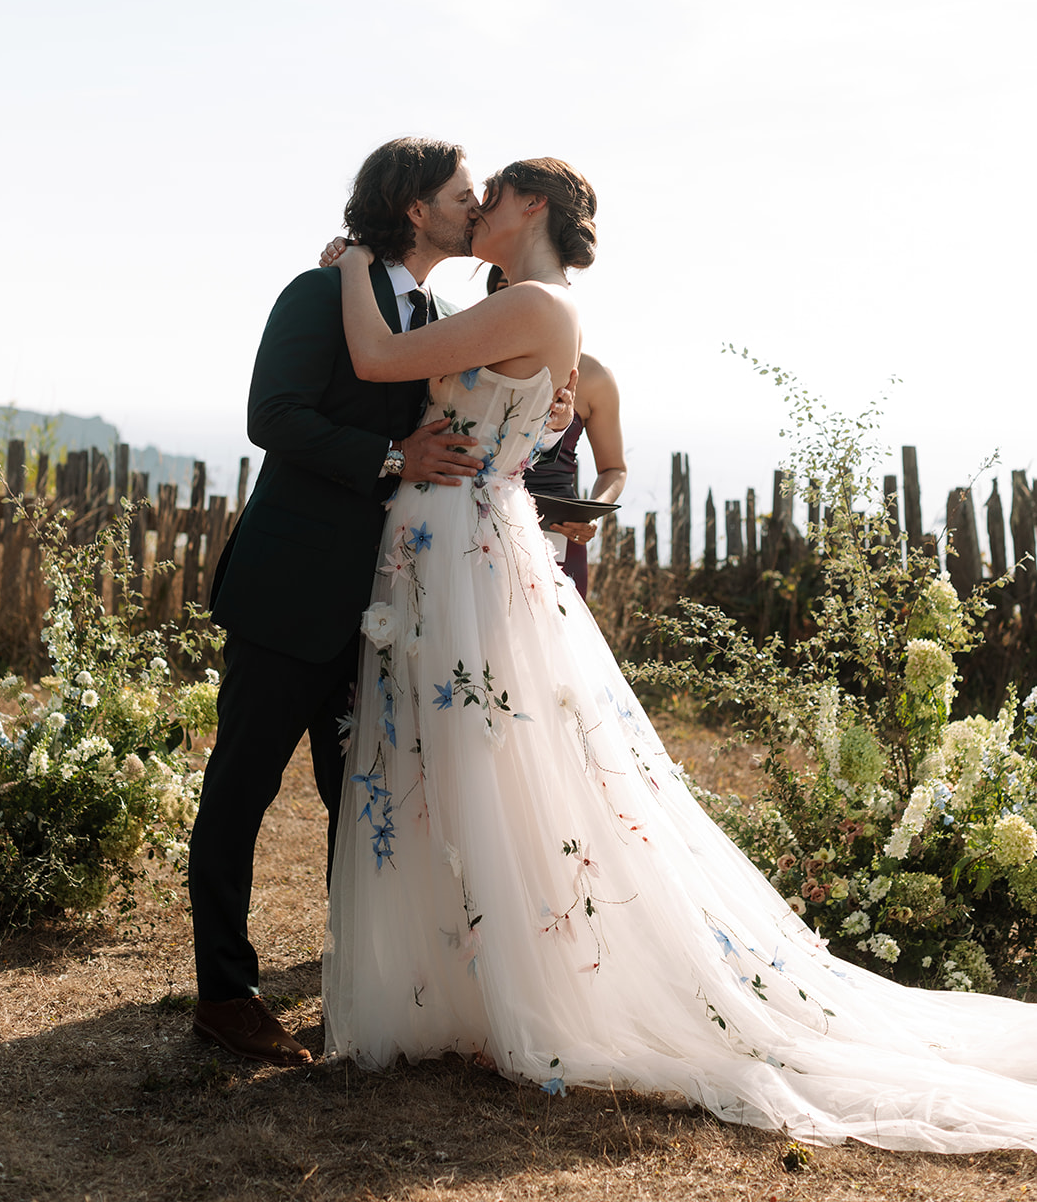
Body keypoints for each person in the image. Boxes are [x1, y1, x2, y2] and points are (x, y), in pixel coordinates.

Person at [322, 156, 1037, 1154]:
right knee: (451, 760)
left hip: (466, 553)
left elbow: (370, 357)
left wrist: (354, 262)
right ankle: (466, 989)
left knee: (482, 757)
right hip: (445, 546)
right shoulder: (517, 306)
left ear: (528, 205)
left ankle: (518, 993)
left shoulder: (532, 304)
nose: (473, 212)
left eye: (488, 199)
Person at [187, 136, 486, 1067]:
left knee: (362, 803)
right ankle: (225, 996)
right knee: (241, 791)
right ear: (414, 209)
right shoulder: (317, 295)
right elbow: (271, 416)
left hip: (382, 607)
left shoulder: (435, 312)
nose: (474, 208)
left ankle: (353, 972)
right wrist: (395, 459)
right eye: (462, 195)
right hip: (289, 591)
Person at [486, 263, 626, 597]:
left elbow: (614, 468)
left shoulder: (594, 377)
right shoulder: (476, 365)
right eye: (504, 289)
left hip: (560, 529)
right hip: (486, 522)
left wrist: (592, 513)